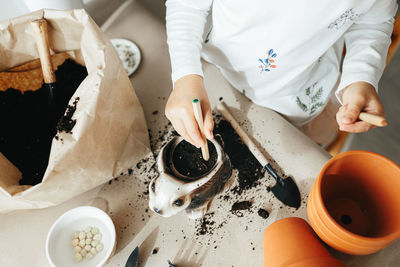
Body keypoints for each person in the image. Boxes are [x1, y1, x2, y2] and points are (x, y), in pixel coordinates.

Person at [164, 0, 398, 147]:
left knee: (304, 147)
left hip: (299, 94)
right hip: (214, 70)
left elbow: (374, 23)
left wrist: (361, 78)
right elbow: (186, 5)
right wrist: (185, 76)